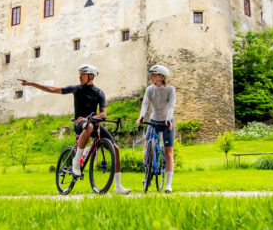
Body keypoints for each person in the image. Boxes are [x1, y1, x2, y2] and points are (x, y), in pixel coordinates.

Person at [18, 64, 130, 194]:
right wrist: (32, 84)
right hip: (80, 122)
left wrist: (94, 118)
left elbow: (103, 114)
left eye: (82, 74)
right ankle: (76, 161)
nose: (79, 76)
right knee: (89, 126)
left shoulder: (99, 93)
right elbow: (53, 89)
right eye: (80, 74)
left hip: (93, 122)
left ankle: (117, 186)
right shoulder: (76, 89)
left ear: (91, 76)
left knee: (115, 148)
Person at [136, 64, 176, 193]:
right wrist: (141, 117)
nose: (151, 77)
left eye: (153, 74)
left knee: (168, 152)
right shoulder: (150, 90)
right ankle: (147, 173)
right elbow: (145, 104)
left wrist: (169, 119)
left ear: (161, 76)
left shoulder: (170, 90)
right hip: (154, 121)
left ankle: (168, 185)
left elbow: (171, 106)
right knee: (147, 147)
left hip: (166, 122)